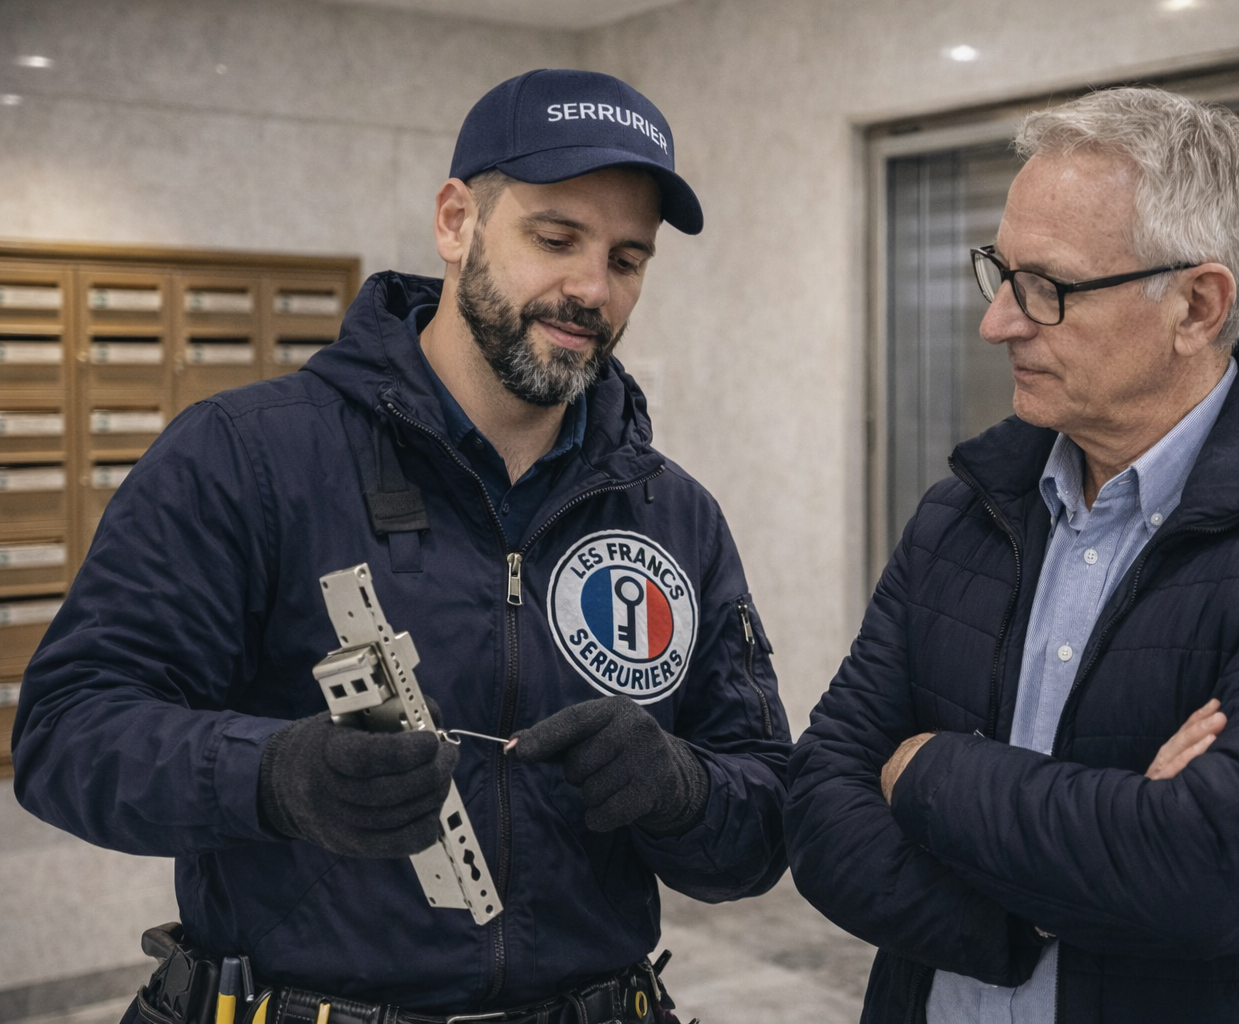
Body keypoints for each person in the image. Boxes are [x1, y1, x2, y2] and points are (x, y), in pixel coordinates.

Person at [12, 69, 791, 1024]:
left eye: (628, 259)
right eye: (555, 239)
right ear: (457, 222)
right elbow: (67, 734)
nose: (591, 288)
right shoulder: (247, 458)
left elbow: (762, 822)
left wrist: (683, 792)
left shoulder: (675, 515)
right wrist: (273, 776)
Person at [785, 87, 1239, 1023]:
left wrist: (924, 770)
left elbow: (1214, 870)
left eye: (1047, 287)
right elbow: (818, 805)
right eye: (999, 274)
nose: (998, 321)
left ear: (1198, 306)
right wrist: (1044, 913)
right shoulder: (963, 513)